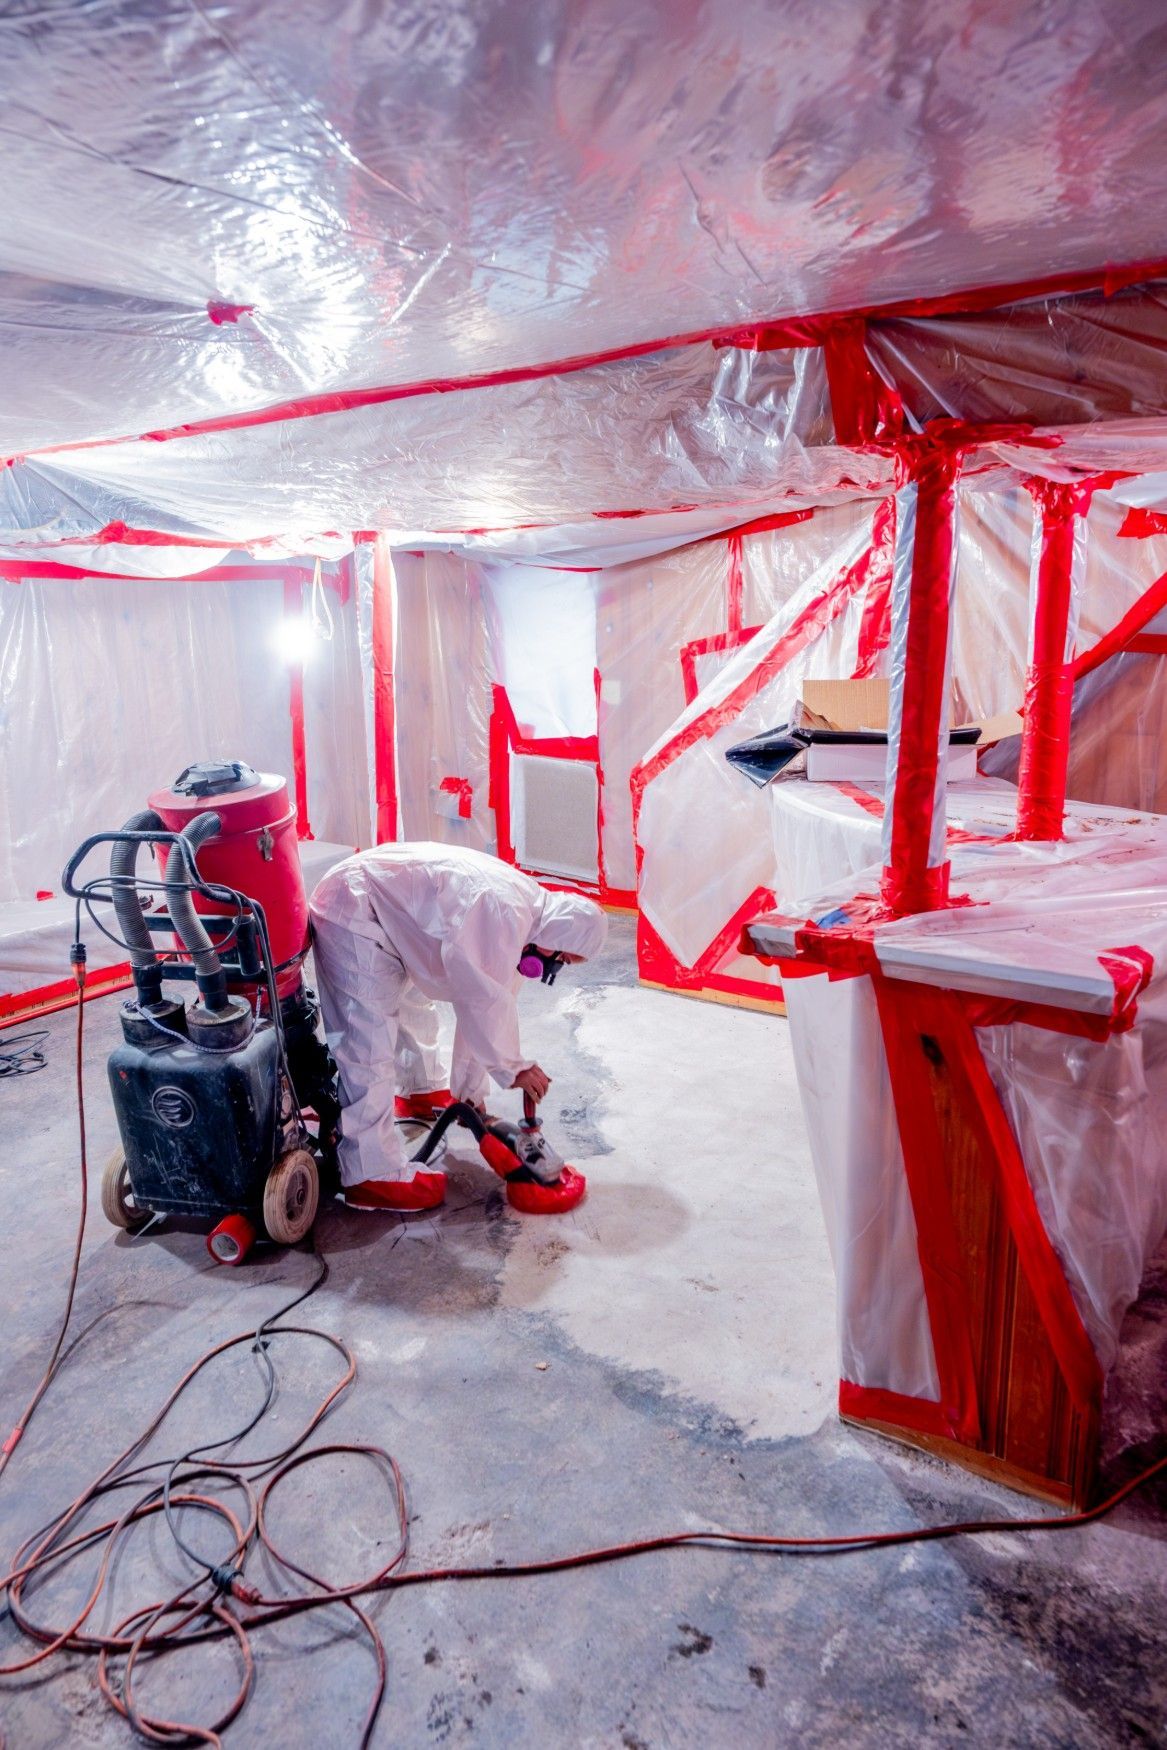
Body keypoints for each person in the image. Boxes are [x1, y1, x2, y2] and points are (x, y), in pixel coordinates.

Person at [308, 842, 607, 1210]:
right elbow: (483, 1002)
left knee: (416, 1006)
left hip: (389, 915)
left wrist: (470, 1096)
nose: (553, 968)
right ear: (558, 934)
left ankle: (419, 1092)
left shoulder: (527, 924)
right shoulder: (505, 914)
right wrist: (515, 1068)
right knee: (367, 1038)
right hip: (353, 906)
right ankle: (370, 1172)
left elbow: (486, 1004)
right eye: (560, 958)